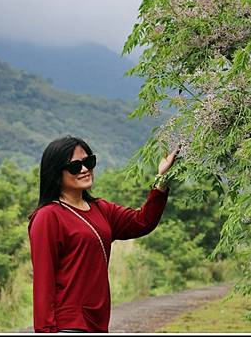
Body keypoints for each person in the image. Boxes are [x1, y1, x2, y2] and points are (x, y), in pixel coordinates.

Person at [28, 136, 180, 332]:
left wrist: (162, 179)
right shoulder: (48, 216)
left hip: (98, 322)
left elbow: (143, 222)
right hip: (68, 324)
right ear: (56, 174)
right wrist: (45, 331)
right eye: (75, 166)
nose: (84, 169)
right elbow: (43, 281)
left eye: (88, 162)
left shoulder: (101, 209)